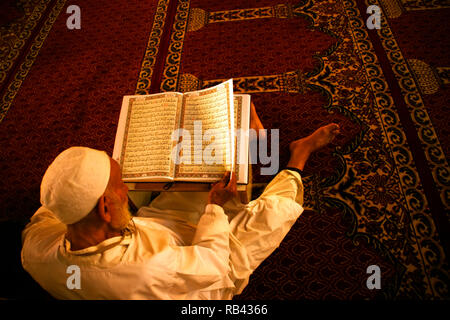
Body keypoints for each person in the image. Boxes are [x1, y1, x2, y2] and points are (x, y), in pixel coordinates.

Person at [21, 103, 340, 299]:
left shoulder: (35, 249)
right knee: (276, 212)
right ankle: (299, 154)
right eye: (121, 186)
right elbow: (212, 262)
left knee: (203, 173)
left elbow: (52, 207)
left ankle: (251, 148)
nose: (126, 187)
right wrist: (214, 208)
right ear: (105, 208)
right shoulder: (145, 268)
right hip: (204, 274)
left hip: (157, 227)